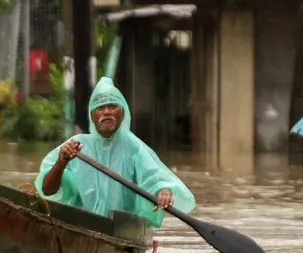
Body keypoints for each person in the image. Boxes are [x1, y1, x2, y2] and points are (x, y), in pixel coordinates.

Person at [36, 77, 195, 227]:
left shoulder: (134, 147)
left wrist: (164, 192)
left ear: (122, 113)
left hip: (120, 227)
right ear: (92, 116)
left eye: (112, 106)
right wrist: (61, 162)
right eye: (100, 107)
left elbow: (156, 178)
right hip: (81, 224)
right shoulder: (75, 145)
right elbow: (47, 190)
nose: (106, 112)